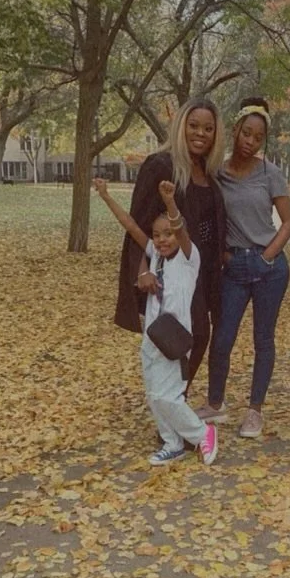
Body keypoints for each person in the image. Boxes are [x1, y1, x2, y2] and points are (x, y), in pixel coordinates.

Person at [94, 178, 218, 466]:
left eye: (168, 234)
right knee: (154, 395)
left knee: (169, 396)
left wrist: (169, 201)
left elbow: (180, 228)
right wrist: (105, 196)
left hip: (174, 340)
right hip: (153, 337)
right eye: (158, 235)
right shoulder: (155, 256)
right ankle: (172, 442)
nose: (163, 239)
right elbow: (130, 226)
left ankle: (202, 433)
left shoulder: (189, 259)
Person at [197, 97, 290, 437]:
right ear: (235, 130)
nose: (250, 141)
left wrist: (267, 256)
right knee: (222, 338)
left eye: (258, 137)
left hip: (270, 267)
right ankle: (215, 403)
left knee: (263, 340)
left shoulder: (271, 174)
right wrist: (224, 256)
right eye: (246, 133)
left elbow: (288, 222)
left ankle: (255, 410)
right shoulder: (217, 172)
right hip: (233, 267)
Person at [114, 98, 227, 386]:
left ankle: (175, 400)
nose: (200, 133)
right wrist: (142, 271)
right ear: (181, 127)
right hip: (173, 270)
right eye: (193, 126)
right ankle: (172, 405)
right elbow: (139, 225)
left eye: (208, 128)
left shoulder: (207, 172)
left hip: (202, 270)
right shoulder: (160, 165)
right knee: (188, 335)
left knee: (200, 336)